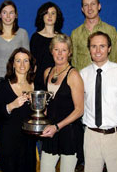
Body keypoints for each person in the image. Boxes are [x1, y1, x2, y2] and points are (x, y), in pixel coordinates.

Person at [80, 31, 117, 172]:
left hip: (115, 136)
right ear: (89, 49)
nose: (98, 50)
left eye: (102, 46)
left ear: (109, 48)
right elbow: (80, 103)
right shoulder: (83, 74)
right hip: (91, 135)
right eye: (94, 46)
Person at [40, 34, 84, 172]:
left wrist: (57, 127)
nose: (60, 54)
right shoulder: (47, 72)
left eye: (64, 50)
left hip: (69, 133)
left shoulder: (74, 75)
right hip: (50, 132)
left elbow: (79, 110)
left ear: (69, 52)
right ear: (51, 50)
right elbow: (49, 104)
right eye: (56, 49)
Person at [0, 47, 37, 172]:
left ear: (31, 64)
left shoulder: (36, 86)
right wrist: (12, 105)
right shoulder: (3, 86)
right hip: (8, 141)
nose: (22, 64)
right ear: (12, 64)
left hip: (29, 141)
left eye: (26, 61)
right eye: (18, 61)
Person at [71, 0, 117, 71]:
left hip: (106, 79)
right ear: (82, 9)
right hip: (83, 81)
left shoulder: (111, 31)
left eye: (93, 4)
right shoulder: (75, 33)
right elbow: (74, 62)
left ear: (99, 6)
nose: (89, 8)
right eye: (86, 5)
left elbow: (114, 59)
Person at [0, 0, 29, 81]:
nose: (8, 16)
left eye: (11, 13)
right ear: (0, 15)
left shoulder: (23, 34)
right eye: (5, 12)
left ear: (16, 15)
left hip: (17, 79)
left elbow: (27, 60)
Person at [30, 2, 64, 90]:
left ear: (57, 17)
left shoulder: (62, 38)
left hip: (58, 80)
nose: (50, 16)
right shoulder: (35, 38)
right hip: (39, 82)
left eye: (53, 13)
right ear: (42, 16)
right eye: (46, 13)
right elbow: (33, 65)